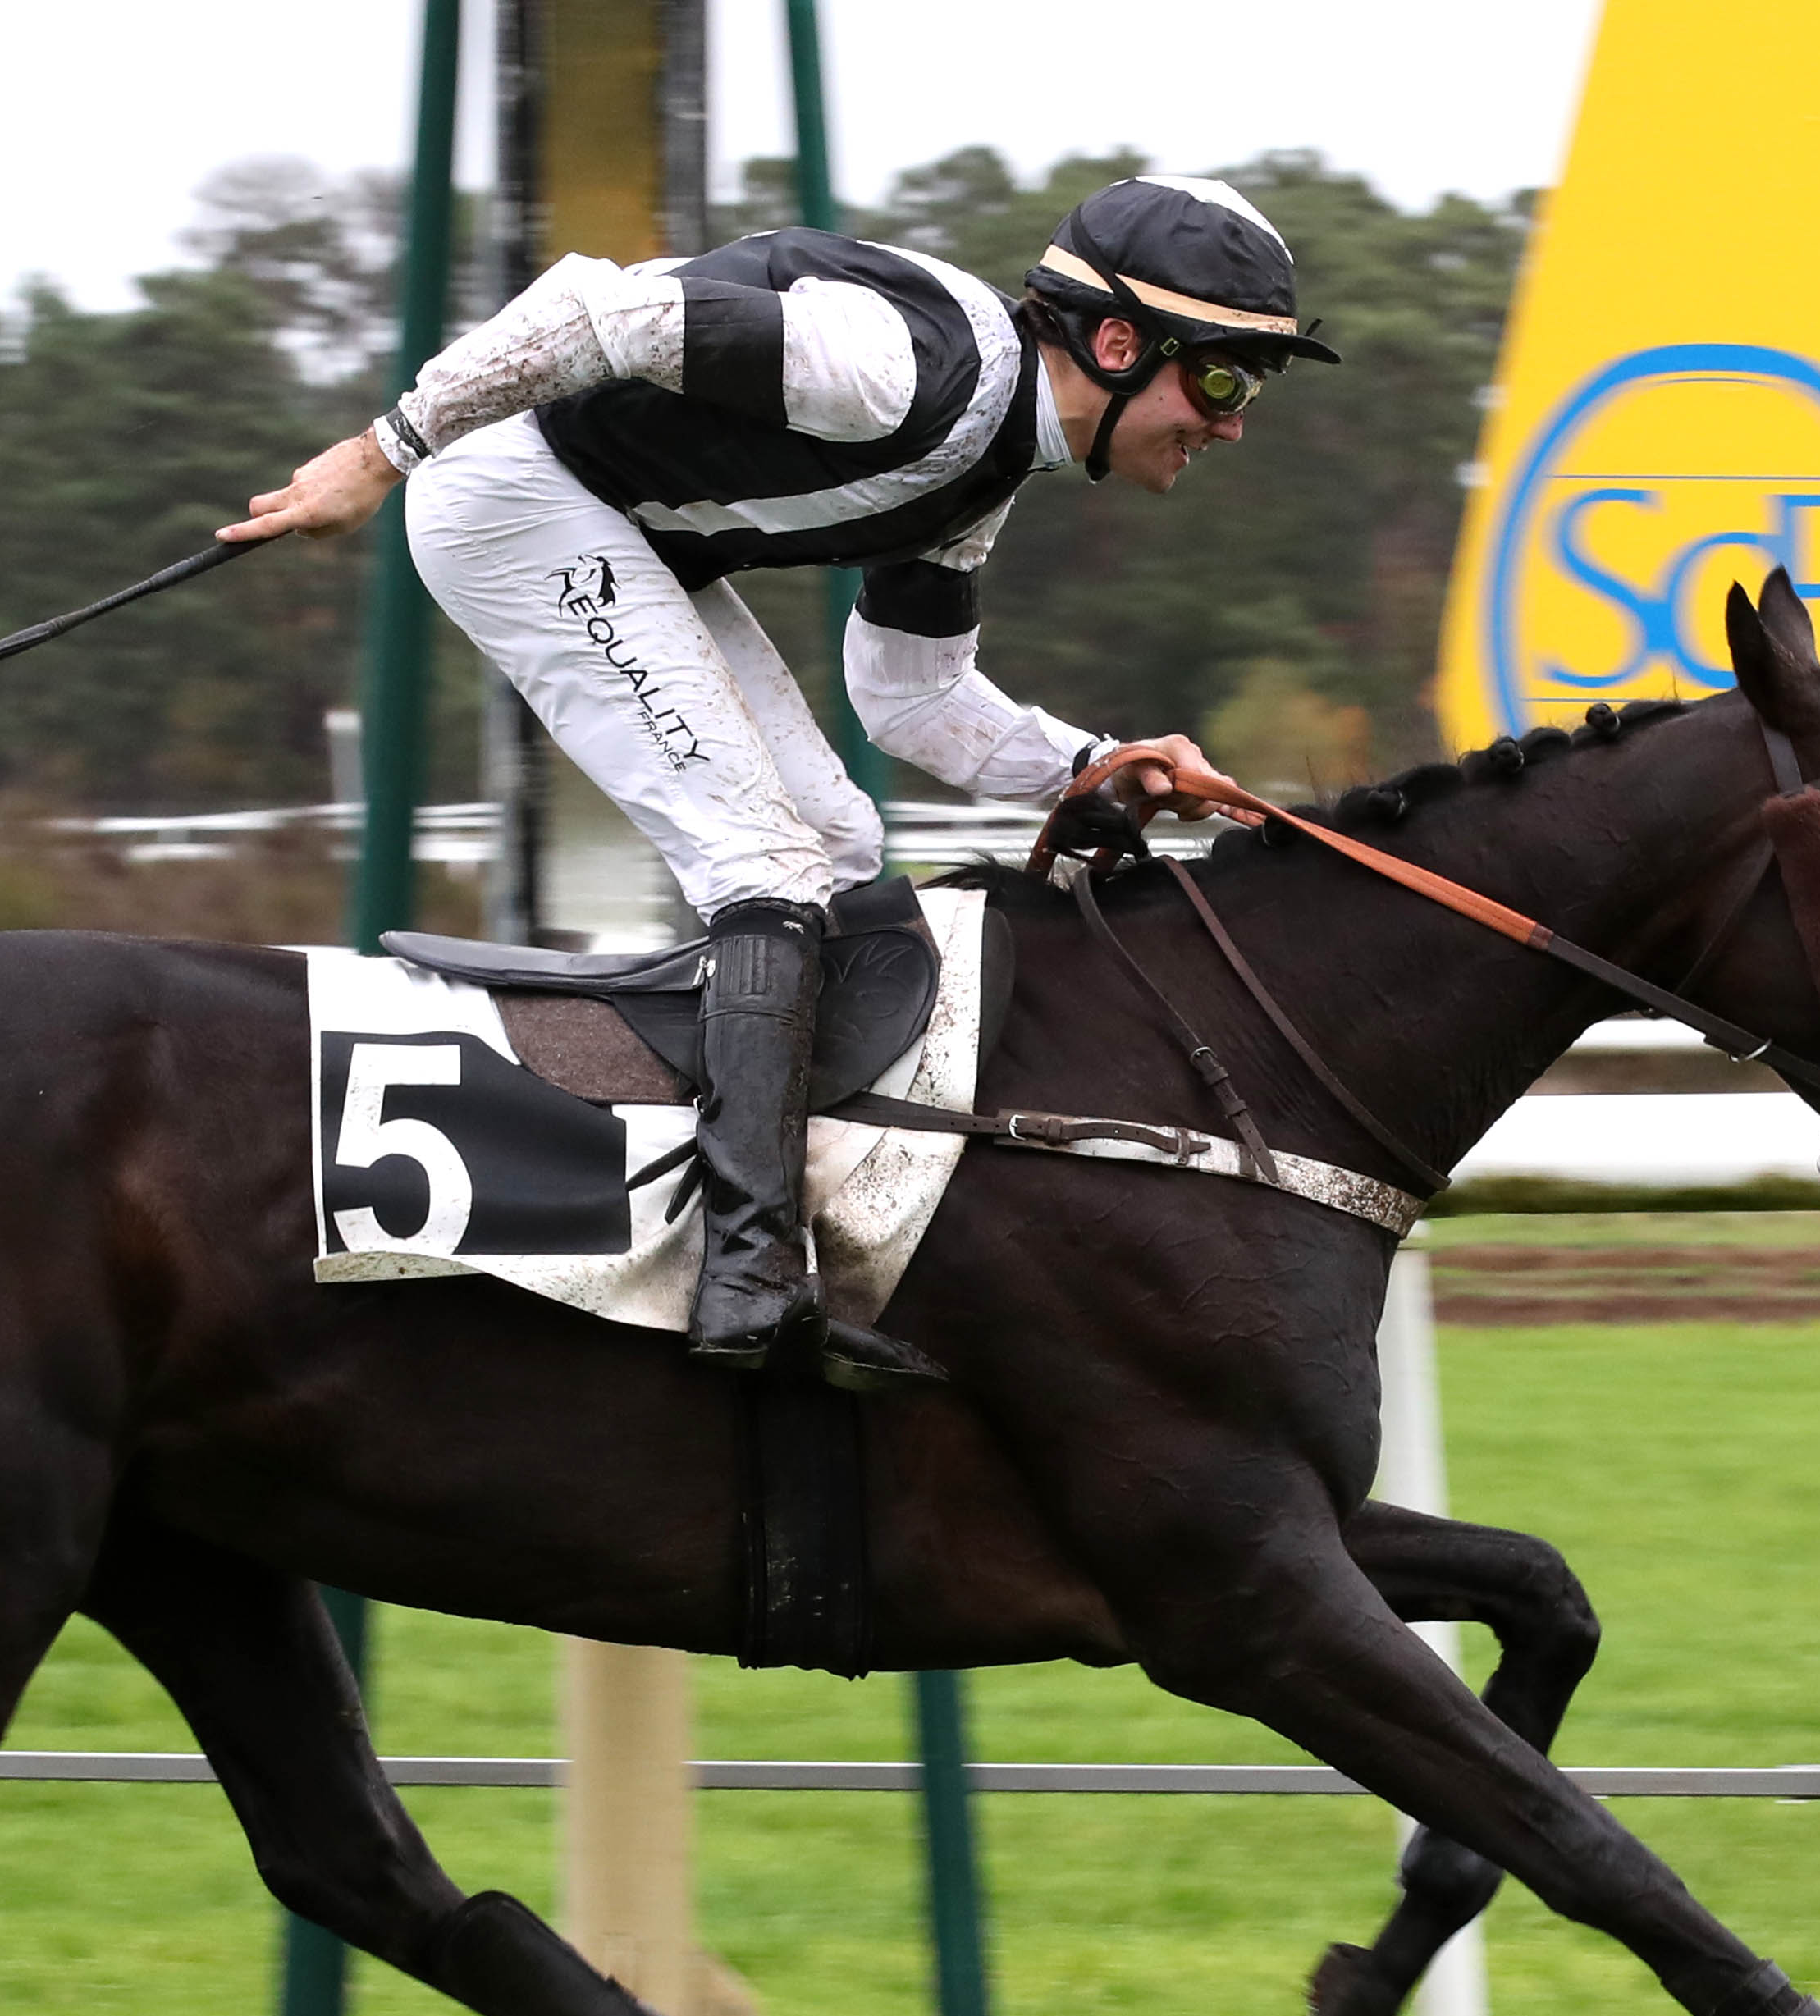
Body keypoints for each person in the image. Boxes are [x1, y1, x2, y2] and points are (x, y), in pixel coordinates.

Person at [226, 174, 1338, 1388]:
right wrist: (379, 453)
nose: (1230, 424)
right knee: (762, 865)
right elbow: (601, 311)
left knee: (844, 847)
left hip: (617, 526)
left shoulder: (986, 467)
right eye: (1223, 380)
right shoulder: (908, 370)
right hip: (512, 502)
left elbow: (911, 700)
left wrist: (1090, 762)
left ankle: (836, 1221)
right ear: (1118, 343)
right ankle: (745, 1273)